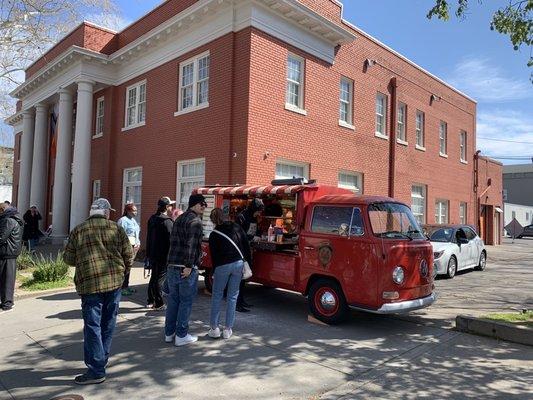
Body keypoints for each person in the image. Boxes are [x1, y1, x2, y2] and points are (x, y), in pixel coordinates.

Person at [63, 198, 133, 385]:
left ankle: (96, 368)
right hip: (114, 282)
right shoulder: (115, 228)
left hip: (90, 284)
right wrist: (123, 272)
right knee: (108, 322)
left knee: (92, 325)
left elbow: (68, 258)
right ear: (105, 212)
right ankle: (101, 361)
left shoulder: (78, 230)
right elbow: (128, 254)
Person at [164, 194, 207, 346]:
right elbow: (191, 245)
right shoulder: (195, 221)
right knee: (185, 302)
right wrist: (189, 266)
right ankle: (181, 335)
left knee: (173, 301)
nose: (204, 206)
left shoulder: (179, 218)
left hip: (172, 265)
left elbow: (173, 242)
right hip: (185, 267)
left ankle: (169, 333)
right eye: (202, 204)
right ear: (195, 204)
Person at [207, 208, 251, 340]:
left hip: (222, 266)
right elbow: (245, 245)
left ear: (213, 220)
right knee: (232, 296)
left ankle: (214, 328)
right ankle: (228, 329)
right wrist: (248, 262)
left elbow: (214, 256)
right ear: (225, 216)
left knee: (217, 296)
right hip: (238, 264)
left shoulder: (213, 235)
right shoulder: (236, 227)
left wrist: (214, 270)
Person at [235, 198, 264, 312]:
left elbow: (255, 230)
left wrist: (259, 234)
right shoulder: (241, 217)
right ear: (254, 208)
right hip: (240, 250)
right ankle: (237, 303)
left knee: (244, 277)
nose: (259, 213)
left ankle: (242, 300)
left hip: (249, 249)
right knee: (240, 278)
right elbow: (238, 235)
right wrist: (252, 237)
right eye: (258, 210)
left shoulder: (254, 218)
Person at [145, 197, 174, 310]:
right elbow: (171, 240)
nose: (172, 207)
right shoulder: (167, 221)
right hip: (163, 255)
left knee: (154, 277)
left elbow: (148, 237)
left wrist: (148, 254)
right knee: (159, 279)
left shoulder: (152, 218)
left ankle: (150, 300)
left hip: (152, 253)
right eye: (170, 205)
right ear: (166, 207)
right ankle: (158, 302)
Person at [0, 203, 23, 312]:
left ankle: (7, 304)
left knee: (6, 280)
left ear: (2, 210)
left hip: (7, 253)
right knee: (7, 279)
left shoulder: (8, 221)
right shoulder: (13, 219)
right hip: (9, 253)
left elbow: (2, 237)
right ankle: (7, 302)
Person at [117, 203, 140, 296]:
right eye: (133, 210)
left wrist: (138, 243)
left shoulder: (133, 221)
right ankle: (121, 287)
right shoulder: (123, 221)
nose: (136, 212)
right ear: (128, 211)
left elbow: (136, 233)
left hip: (134, 246)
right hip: (126, 247)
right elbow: (120, 235)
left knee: (129, 267)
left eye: (136, 210)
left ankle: (126, 285)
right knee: (124, 267)